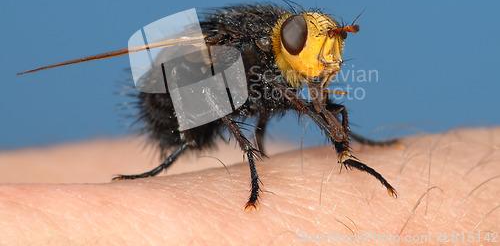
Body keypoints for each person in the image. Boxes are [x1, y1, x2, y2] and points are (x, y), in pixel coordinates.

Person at [0, 127, 498, 245]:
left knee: (311, 102)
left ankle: (349, 150)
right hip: (182, 100)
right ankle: (334, 156)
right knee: (230, 92)